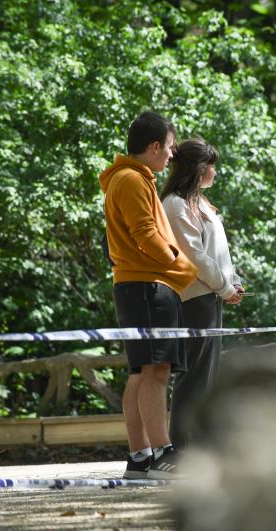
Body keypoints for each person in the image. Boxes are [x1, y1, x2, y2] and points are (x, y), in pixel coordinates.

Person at [99, 111, 198, 480]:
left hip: (137, 285)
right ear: (154, 146)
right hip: (147, 285)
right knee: (156, 372)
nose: (172, 156)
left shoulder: (126, 178)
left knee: (141, 372)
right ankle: (162, 454)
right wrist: (183, 267)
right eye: (170, 148)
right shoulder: (132, 180)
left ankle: (141, 457)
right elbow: (146, 235)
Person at [160, 138, 244, 449]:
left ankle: (198, 442)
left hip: (213, 295)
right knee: (194, 373)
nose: (215, 172)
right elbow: (194, 257)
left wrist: (230, 283)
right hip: (195, 297)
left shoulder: (202, 204)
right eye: (212, 166)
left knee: (207, 373)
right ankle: (183, 444)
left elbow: (218, 252)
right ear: (198, 168)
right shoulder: (175, 205)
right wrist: (225, 287)